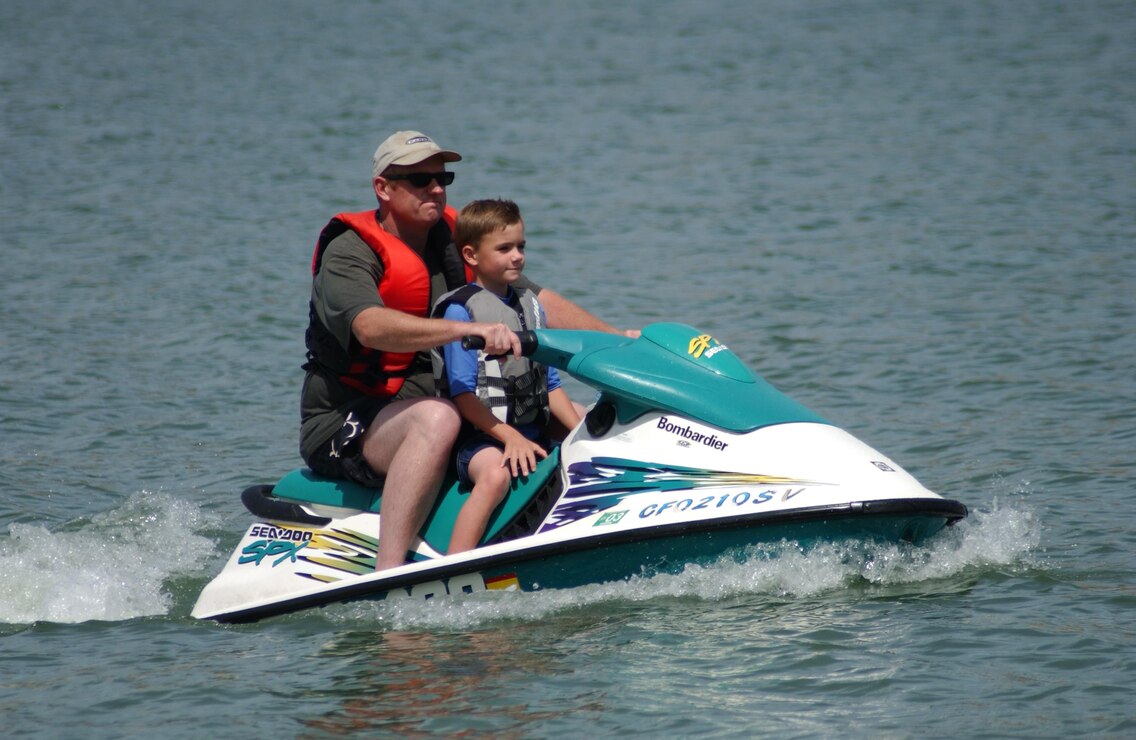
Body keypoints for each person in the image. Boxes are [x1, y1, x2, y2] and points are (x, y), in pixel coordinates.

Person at [300, 130, 625, 571]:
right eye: (419, 180)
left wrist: (619, 339)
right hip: (349, 420)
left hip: (448, 402)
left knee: (585, 414)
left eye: (442, 177)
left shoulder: (454, 239)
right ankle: (389, 576)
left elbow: (536, 301)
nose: (436, 188)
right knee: (438, 418)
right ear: (383, 188)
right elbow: (370, 327)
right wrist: (464, 330)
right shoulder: (350, 253)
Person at [432, 199, 582, 554]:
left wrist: (580, 435)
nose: (517, 256)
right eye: (504, 249)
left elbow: (551, 384)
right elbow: (463, 395)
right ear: (471, 256)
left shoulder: (531, 305)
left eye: (521, 247)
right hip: (479, 439)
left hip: (530, 425)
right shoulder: (461, 310)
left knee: (596, 425)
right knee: (496, 476)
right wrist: (510, 438)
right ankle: (453, 566)